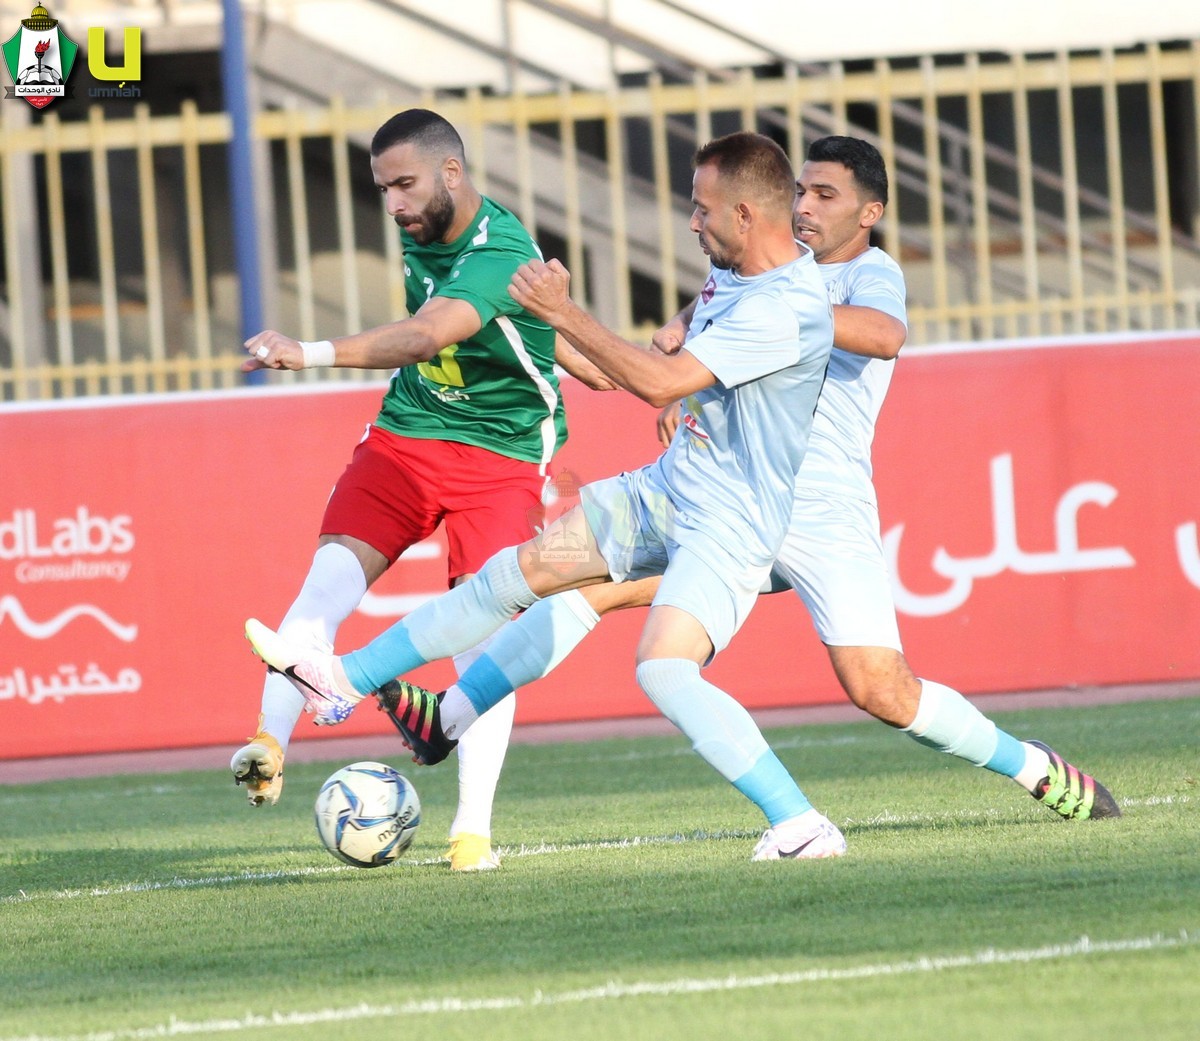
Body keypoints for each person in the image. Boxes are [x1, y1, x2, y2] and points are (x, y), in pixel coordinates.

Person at [363, 135, 1121, 829]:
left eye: (826, 195)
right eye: (802, 190)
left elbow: (886, 335)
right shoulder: (745, 269)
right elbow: (711, 325)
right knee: (585, 585)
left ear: (869, 214)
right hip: (721, 495)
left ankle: (1031, 766)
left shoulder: (865, 274)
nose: (807, 205)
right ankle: (449, 715)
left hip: (819, 511)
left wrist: (775, 319)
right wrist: (695, 357)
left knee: (882, 691)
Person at [246, 131, 852, 861]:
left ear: (747, 215)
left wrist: (564, 314)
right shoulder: (739, 270)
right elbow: (672, 361)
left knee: (664, 668)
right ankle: (345, 681)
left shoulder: (787, 305)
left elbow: (658, 382)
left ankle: (800, 823)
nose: (692, 222)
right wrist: (665, 351)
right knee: (511, 577)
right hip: (661, 494)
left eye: (702, 209)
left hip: (729, 523)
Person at [228, 107, 614, 873]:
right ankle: (269, 742)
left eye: (404, 184)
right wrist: (569, 344)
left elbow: (427, 333)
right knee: (323, 586)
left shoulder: (499, 249)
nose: (394, 204)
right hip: (407, 433)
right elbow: (497, 327)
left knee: (483, 636)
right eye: (383, 189)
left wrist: (307, 351)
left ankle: (471, 833)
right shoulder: (423, 229)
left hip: (501, 455)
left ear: (452, 172)